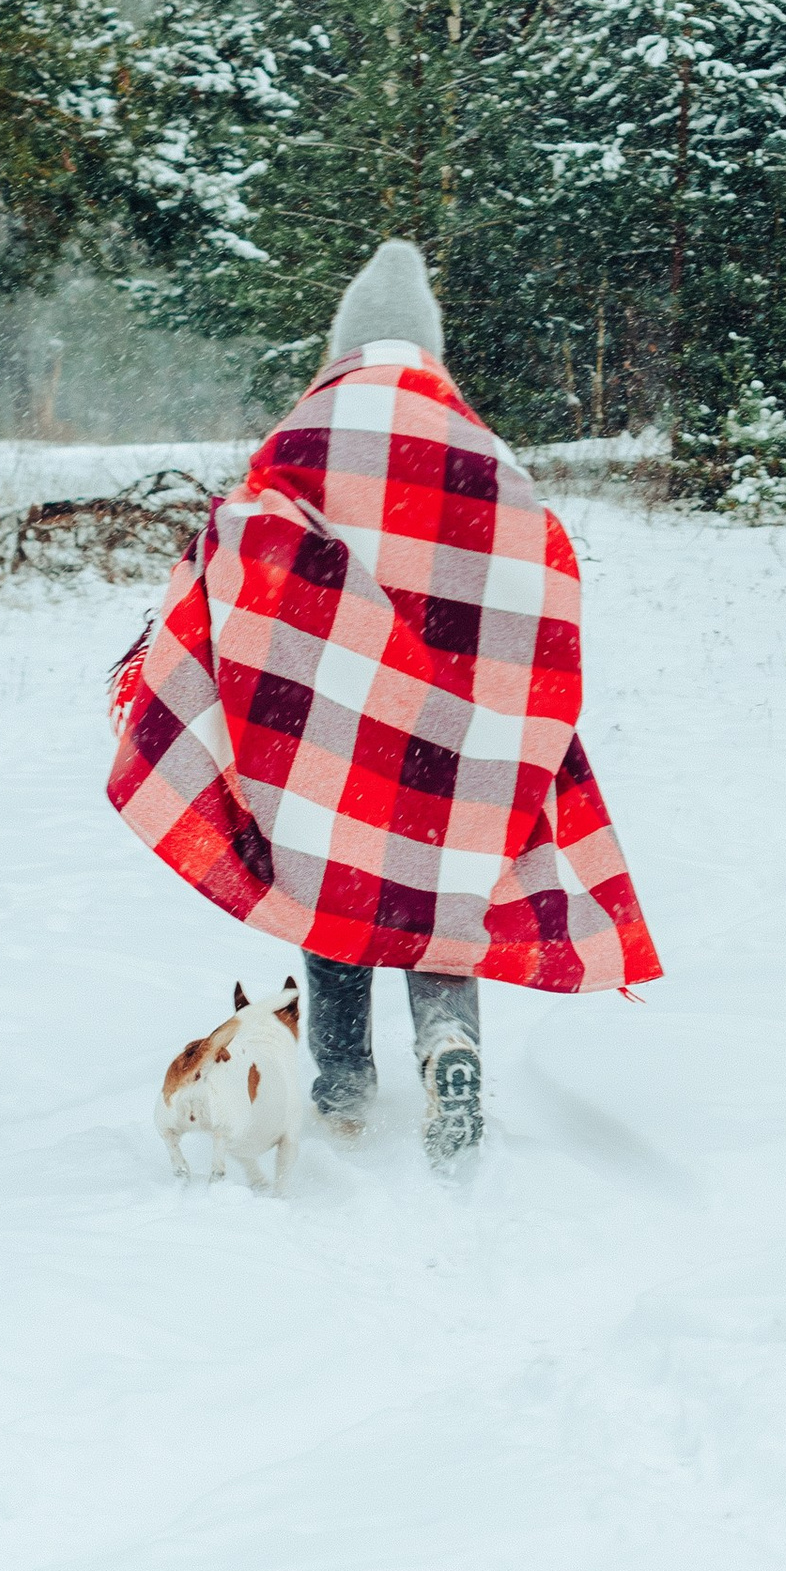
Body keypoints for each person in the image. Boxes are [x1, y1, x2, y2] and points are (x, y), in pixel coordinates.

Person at [104, 237, 661, 1166]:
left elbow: (243, 539)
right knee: (443, 890)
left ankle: (343, 1083)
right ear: (429, 344)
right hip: (455, 727)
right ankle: (450, 1045)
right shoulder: (479, 453)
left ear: (344, 340)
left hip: (327, 723)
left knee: (335, 884)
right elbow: (541, 563)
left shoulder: (306, 436)